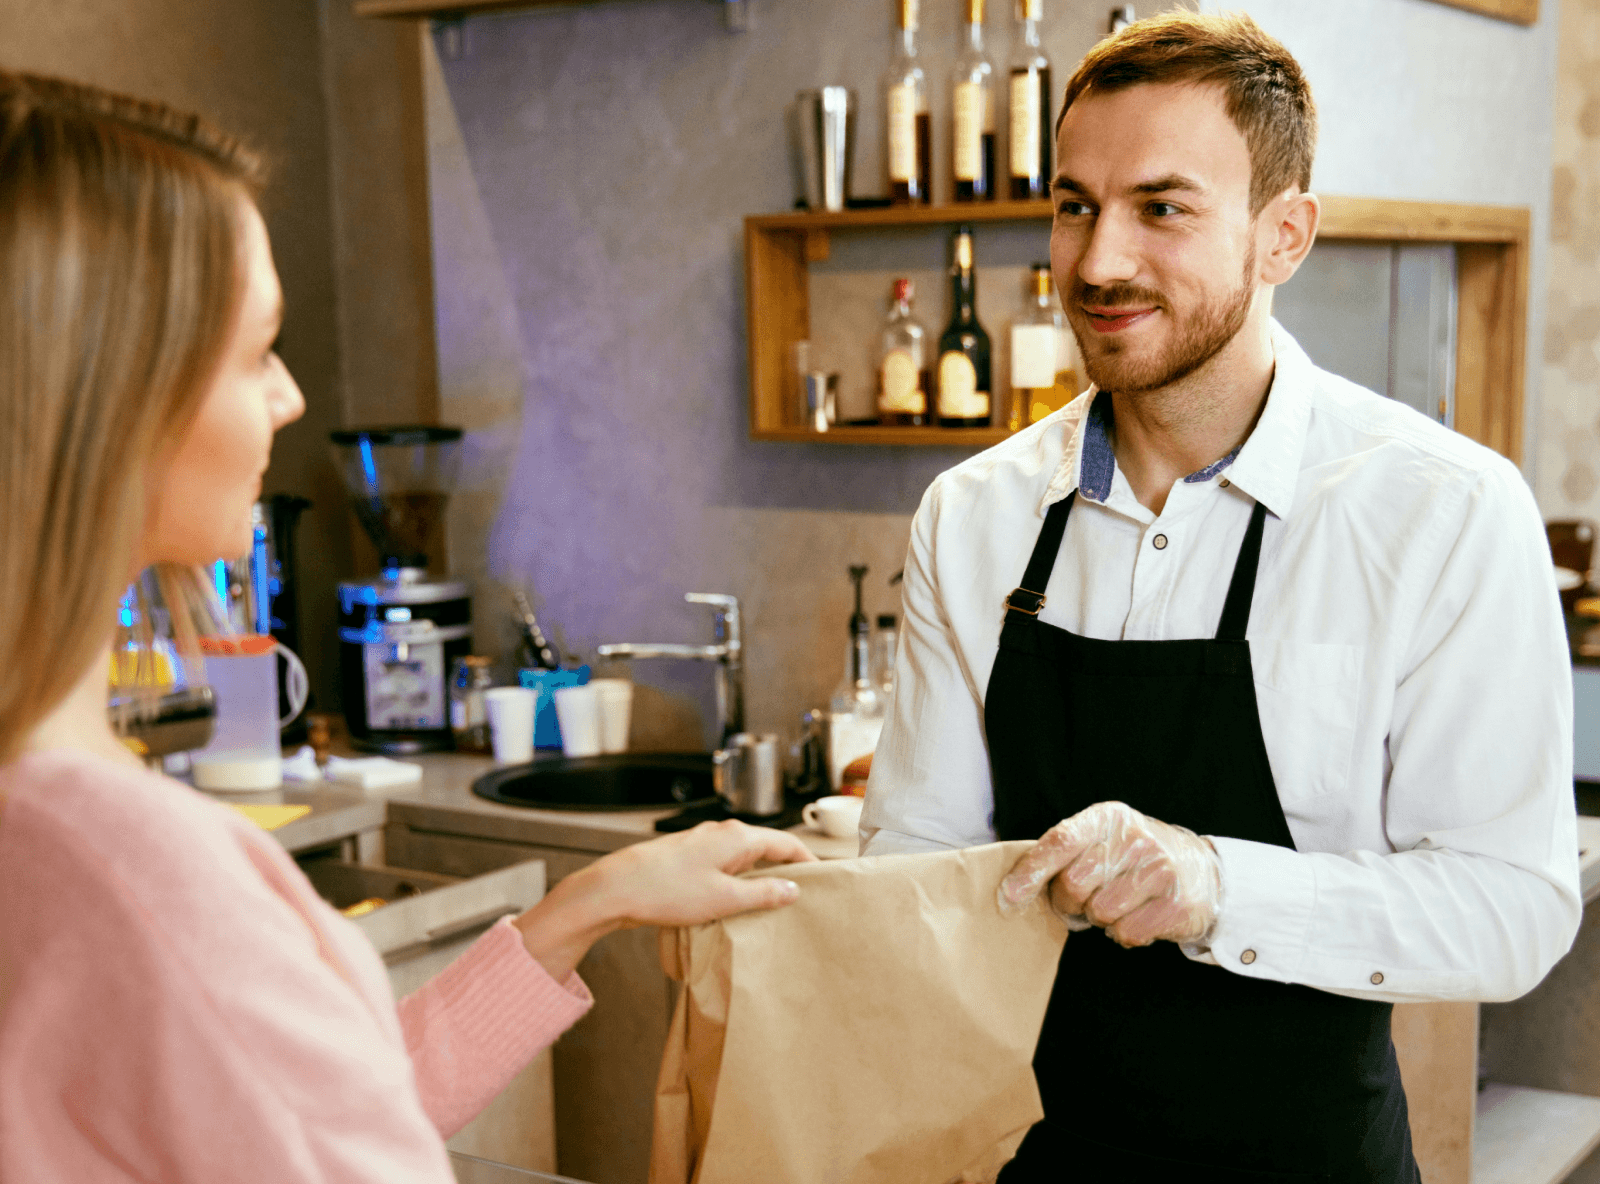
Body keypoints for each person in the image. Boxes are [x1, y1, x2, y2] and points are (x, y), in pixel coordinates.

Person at [0, 72, 814, 1181]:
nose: (289, 399)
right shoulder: (145, 878)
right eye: (257, 352)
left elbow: (320, 1109)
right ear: (110, 399)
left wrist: (593, 899)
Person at [861, 12, 1580, 1183]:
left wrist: (1211, 881)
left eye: (1162, 207)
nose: (1096, 262)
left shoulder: (1439, 510)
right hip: (1021, 1158)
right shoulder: (973, 513)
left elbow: (1512, 907)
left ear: (1282, 235)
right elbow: (914, 861)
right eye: (1075, 203)